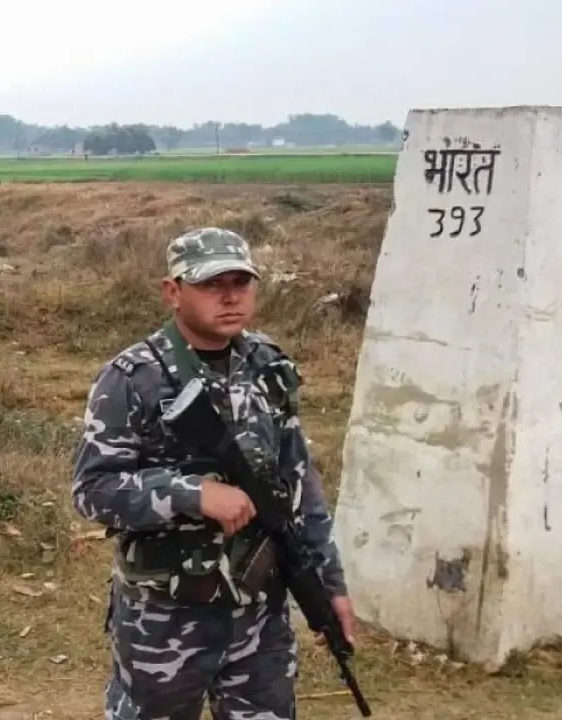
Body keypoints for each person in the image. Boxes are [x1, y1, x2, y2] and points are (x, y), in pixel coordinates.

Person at [71, 227, 355, 720]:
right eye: (210, 284)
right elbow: (93, 489)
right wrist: (191, 493)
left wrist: (330, 584)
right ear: (172, 292)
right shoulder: (134, 376)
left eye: (240, 283)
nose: (229, 297)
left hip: (259, 616)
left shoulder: (268, 365)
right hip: (164, 618)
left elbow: (300, 485)